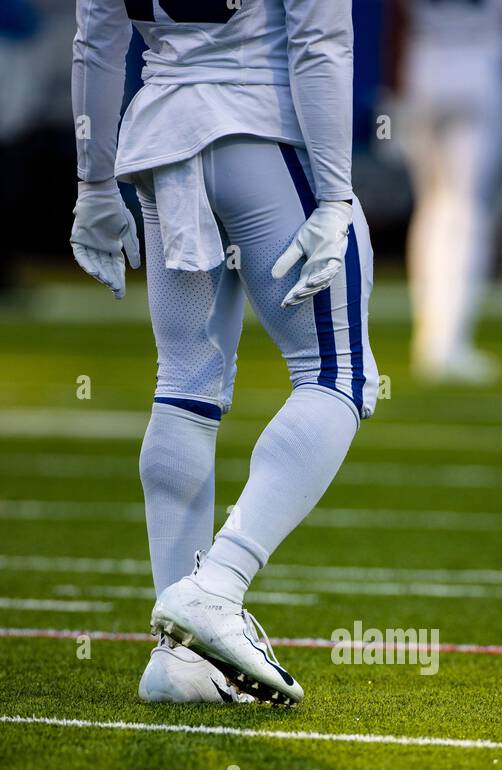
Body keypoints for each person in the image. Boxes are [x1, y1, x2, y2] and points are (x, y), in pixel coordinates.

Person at [70, 0, 378, 706]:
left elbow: (97, 38)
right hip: (266, 129)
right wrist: (333, 194)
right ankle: (217, 586)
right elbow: (319, 35)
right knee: (339, 373)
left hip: (163, 135)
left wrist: (94, 183)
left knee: (184, 384)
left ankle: (178, 658)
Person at [388, 0, 502, 384]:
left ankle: (431, 338)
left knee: (432, 208)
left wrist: (394, 89)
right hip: (481, 62)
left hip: (425, 63)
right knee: (466, 212)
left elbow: (396, 14)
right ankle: (447, 343)